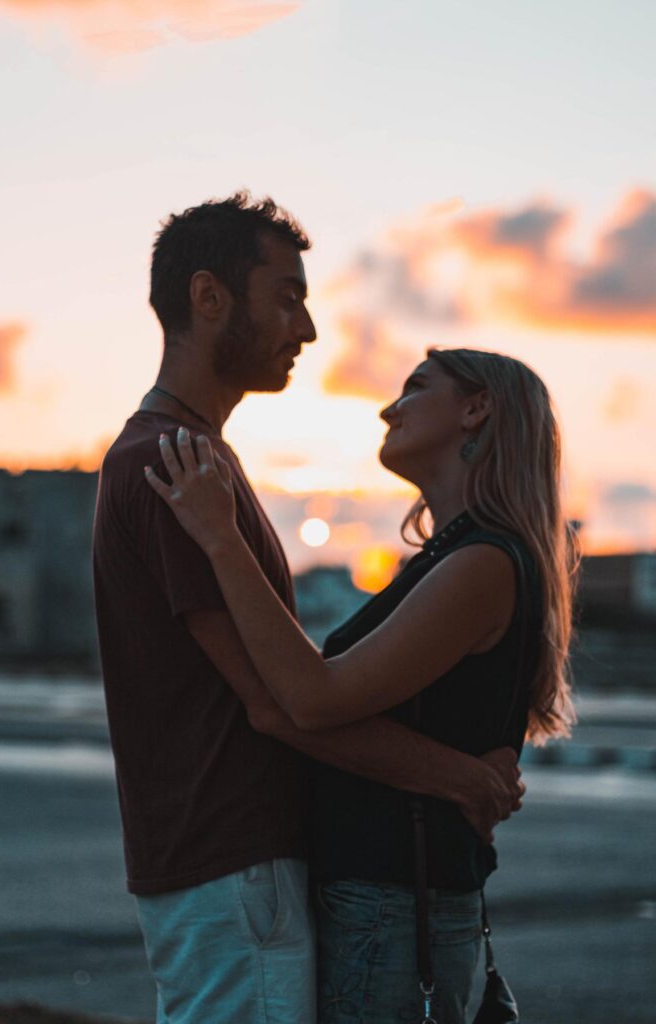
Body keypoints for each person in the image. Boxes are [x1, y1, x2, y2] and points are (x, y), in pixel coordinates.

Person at [93, 192, 523, 1024]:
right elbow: (277, 704)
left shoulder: (200, 463)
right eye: (286, 295)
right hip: (231, 864)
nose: (308, 328)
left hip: (231, 864)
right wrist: (460, 779)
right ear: (209, 297)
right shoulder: (170, 465)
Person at [145, 344, 576, 1024]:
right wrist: (454, 774)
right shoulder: (450, 557)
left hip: (392, 908)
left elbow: (311, 698)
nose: (387, 407)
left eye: (413, 387)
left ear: (475, 409)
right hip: (387, 902)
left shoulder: (483, 562)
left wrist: (220, 538)